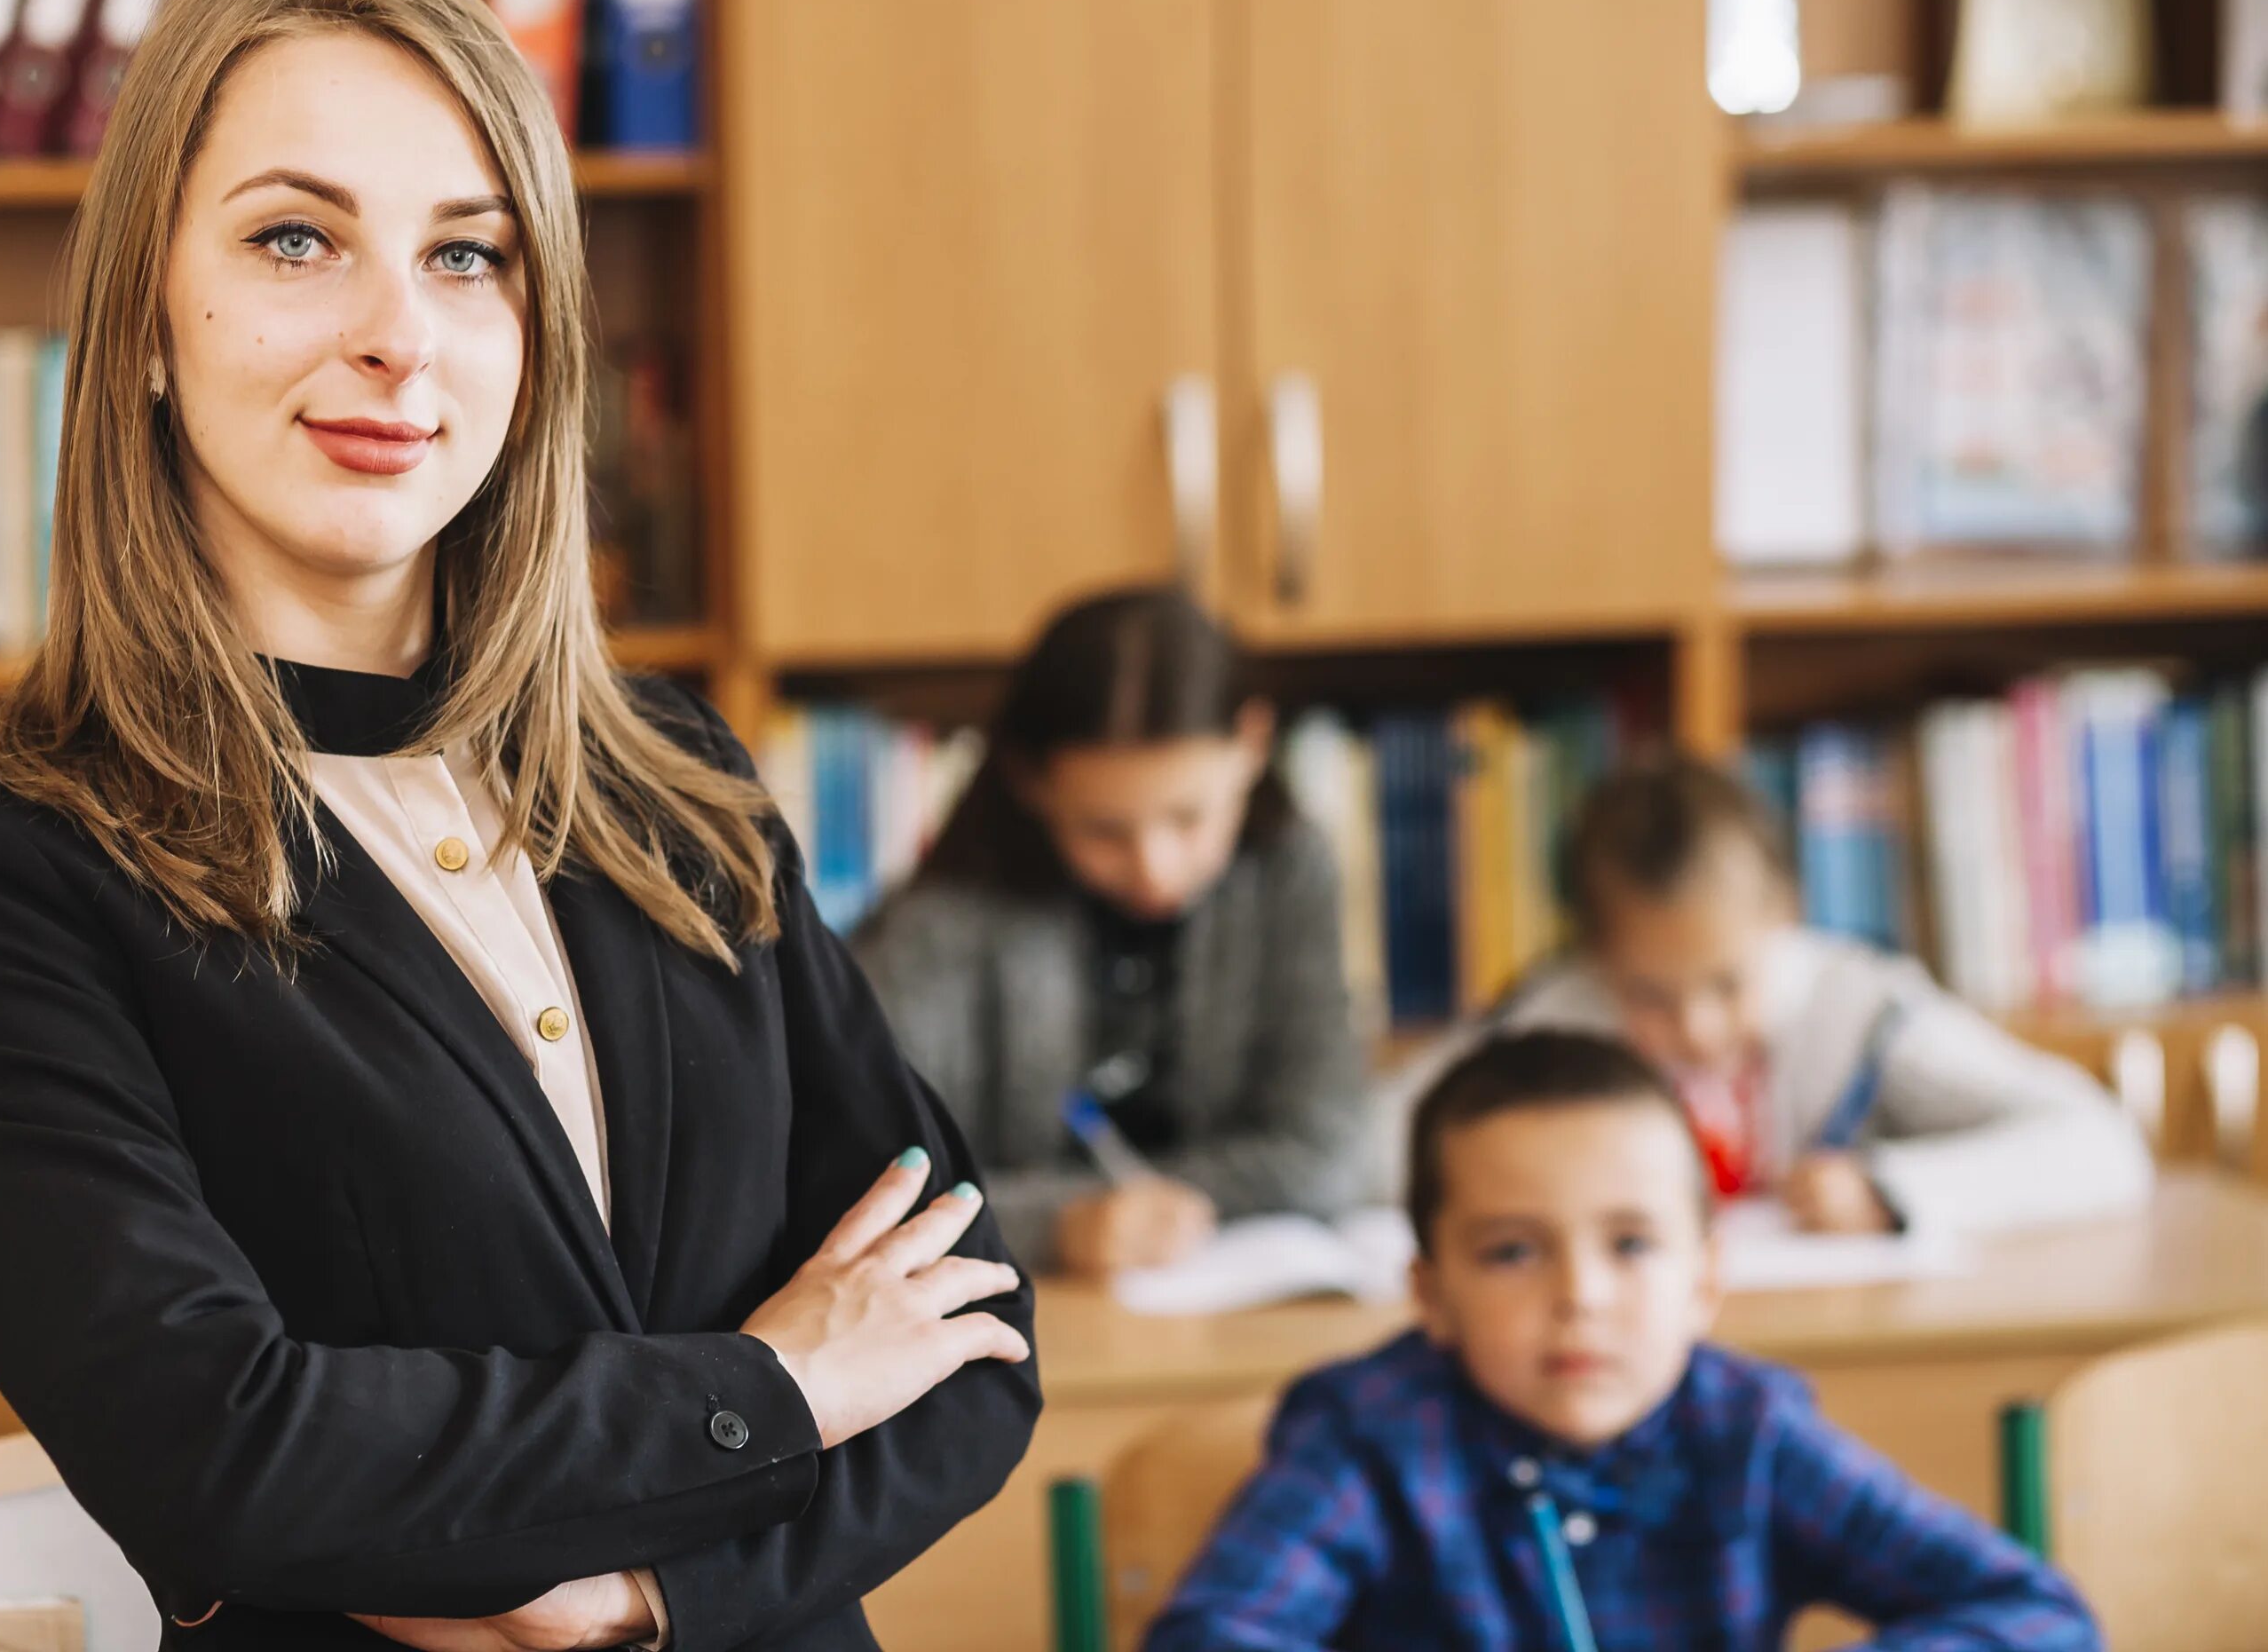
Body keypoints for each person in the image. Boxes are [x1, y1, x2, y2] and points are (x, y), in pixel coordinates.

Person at [0, 0, 1035, 1652]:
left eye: (467, 255)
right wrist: (779, 1384)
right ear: (149, 325)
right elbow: (217, 1450)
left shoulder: (680, 780)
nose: (399, 335)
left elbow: (969, 1336)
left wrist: (633, 1589)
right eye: (295, 239)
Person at [1148, 1031, 2104, 1650]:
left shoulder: (1752, 1433)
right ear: (1430, 1292)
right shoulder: (1370, 1436)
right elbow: (1214, 1633)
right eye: (1513, 1250)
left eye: (1633, 1243)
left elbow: (2038, 1615)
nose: (1582, 1295)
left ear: (1705, 1281)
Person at [1370, 749, 2152, 1237]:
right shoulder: (1548, 1025)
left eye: (1727, 984)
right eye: (1651, 995)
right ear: (1594, 958)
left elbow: (2100, 1145)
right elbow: (1371, 1156)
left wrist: (1889, 1193)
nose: (1698, 1028)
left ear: (1786, 916)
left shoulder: (1861, 1009)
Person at [850, 588, 1364, 1277]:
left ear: (1252, 745)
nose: (1155, 869)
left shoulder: (1290, 870)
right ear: (1032, 783)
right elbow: (874, 1185)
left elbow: (1325, 1154)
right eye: (1104, 830)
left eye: (1189, 819)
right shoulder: (942, 919)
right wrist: (1056, 1226)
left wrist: (1136, 1210)